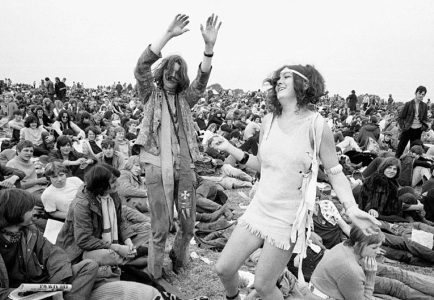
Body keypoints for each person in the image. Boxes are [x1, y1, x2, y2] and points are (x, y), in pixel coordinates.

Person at [211, 64, 379, 300]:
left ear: (305, 84)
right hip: (260, 208)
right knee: (224, 268)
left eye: (286, 77)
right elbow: (263, 164)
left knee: (263, 285)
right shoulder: (267, 120)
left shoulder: (317, 125)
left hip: (288, 218)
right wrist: (230, 148)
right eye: (278, 78)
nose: (279, 81)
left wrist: (352, 209)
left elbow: (335, 172)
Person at [133, 14, 221, 281]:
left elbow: (202, 81)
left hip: (184, 172)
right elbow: (141, 68)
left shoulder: (186, 99)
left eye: (177, 72)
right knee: (160, 228)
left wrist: (208, 49)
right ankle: (155, 277)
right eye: (169, 70)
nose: (172, 75)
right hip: (157, 171)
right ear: (163, 72)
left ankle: (178, 261)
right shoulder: (150, 93)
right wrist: (168, 35)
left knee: (186, 224)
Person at [0, 189, 99, 300]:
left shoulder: (29, 231)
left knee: (89, 266)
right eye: (30, 209)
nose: (35, 212)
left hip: (40, 287)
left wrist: (55, 287)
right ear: (15, 211)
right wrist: (23, 294)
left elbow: (54, 254)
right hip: (15, 296)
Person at [309, 225, 384, 299]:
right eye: (374, 247)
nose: (378, 251)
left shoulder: (344, 245)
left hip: (317, 290)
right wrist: (370, 276)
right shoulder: (352, 269)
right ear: (358, 244)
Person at [395, 86, 429, 158]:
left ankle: (411, 164)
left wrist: (424, 127)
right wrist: (403, 127)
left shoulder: (424, 106)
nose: (421, 95)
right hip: (408, 129)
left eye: (423, 94)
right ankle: (395, 163)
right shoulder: (408, 104)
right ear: (416, 93)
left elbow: (425, 118)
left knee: (414, 150)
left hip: (418, 130)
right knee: (401, 148)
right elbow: (400, 117)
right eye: (420, 93)